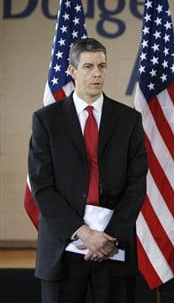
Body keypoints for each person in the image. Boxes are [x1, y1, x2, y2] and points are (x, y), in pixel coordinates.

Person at [28, 38, 148, 303]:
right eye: (88, 66)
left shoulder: (128, 120)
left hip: (112, 248)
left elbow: (137, 184)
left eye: (102, 66)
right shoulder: (47, 121)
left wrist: (108, 238)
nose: (97, 73)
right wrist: (83, 233)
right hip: (64, 249)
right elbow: (42, 186)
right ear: (72, 71)